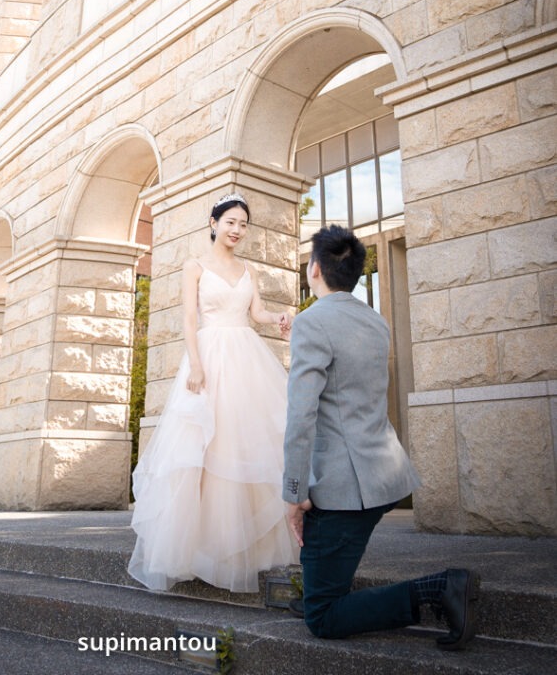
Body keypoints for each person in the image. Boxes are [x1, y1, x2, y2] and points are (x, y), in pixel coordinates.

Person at [283, 224, 480, 650]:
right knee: (323, 578)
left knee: (322, 616)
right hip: (383, 474)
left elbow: (301, 415)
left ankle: (438, 589)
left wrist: (294, 492)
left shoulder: (310, 323)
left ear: (313, 269)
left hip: (343, 488)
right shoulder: (375, 321)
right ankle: (325, 582)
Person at [128, 192, 297, 592]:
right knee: (203, 445)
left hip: (245, 356)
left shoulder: (248, 269)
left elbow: (255, 314)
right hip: (209, 356)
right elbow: (189, 319)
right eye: (230, 222)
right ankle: (198, 547)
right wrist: (197, 364)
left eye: (243, 224)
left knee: (242, 443)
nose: (237, 230)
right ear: (213, 222)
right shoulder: (195, 266)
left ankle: (240, 546)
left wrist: (278, 317)